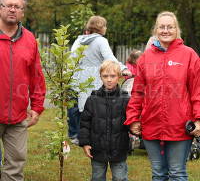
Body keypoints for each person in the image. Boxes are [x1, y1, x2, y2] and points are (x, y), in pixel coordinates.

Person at [124, 11, 200, 181]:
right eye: (162, 27)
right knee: (158, 173)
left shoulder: (189, 55)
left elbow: (197, 90)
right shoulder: (145, 58)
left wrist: (198, 119)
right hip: (151, 123)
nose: (166, 30)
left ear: (176, 30)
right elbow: (137, 92)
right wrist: (133, 118)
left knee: (177, 173)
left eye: (170, 27)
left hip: (179, 125)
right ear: (156, 30)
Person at [0, 0, 46, 181]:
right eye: (8, 5)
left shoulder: (29, 40)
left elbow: (36, 76)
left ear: (22, 12)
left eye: (17, 7)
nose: (12, 9)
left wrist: (36, 107)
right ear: (0, 8)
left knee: (15, 167)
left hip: (18, 116)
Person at [79, 60, 130, 181]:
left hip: (119, 148)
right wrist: (85, 143)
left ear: (119, 77)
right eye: (105, 76)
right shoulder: (92, 99)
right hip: (97, 149)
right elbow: (85, 124)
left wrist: (136, 129)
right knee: (97, 177)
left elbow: (131, 121)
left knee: (120, 177)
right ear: (100, 77)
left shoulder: (125, 99)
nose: (109, 79)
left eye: (112, 76)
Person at [72, 15, 131, 113]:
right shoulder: (101, 41)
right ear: (100, 27)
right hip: (94, 80)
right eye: (105, 26)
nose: (106, 28)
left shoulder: (79, 41)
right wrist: (123, 69)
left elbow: (72, 60)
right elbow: (110, 58)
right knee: (95, 112)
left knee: (80, 115)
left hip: (77, 82)